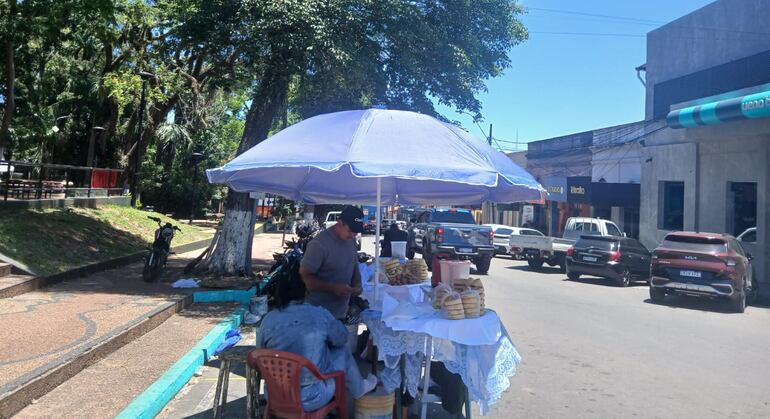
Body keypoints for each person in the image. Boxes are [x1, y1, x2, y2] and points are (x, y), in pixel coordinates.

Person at [256, 273, 377, 411]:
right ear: (306, 292)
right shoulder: (319, 314)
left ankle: (358, 386)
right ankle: (359, 387)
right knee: (341, 351)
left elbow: (259, 354)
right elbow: (342, 338)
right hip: (312, 397)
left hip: (274, 395)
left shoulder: (268, 319)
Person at [300, 206, 363, 320]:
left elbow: (354, 266)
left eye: (356, 232)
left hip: (341, 312)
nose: (353, 235)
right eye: (350, 231)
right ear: (339, 223)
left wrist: (357, 284)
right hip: (317, 313)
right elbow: (306, 278)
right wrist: (333, 287)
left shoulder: (351, 240)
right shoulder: (319, 244)